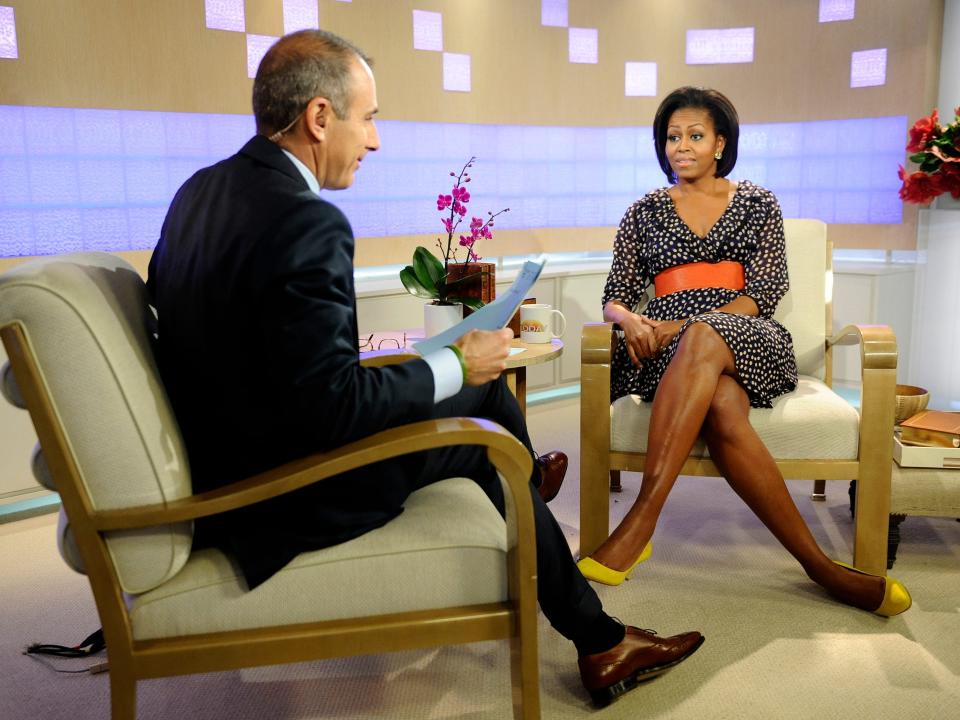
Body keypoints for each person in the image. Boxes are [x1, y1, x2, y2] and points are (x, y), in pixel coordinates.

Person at [147, 30, 704, 707]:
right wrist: (450, 361)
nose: (376, 140)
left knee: (478, 386)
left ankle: (536, 494)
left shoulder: (198, 193)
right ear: (321, 117)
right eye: (370, 117)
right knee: (479, 431)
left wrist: (446, 366)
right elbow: (333, 408)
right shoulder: (306, 221)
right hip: (284, 489)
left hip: (238, 451)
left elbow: (265, 353)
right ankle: (596, 632)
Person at [577, 87, 912, 618]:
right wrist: (633, 320)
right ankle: (822, 568)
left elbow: (763, 291)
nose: (681, 146)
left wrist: (680, 325)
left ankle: (640, 521)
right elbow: (614, 299)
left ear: (719, 143)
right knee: (723, 408)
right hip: (672, 352)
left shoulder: (757, 202)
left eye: (694, 135)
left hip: (748, 335)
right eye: (672, 136)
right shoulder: (642, 211)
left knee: (706, 335)